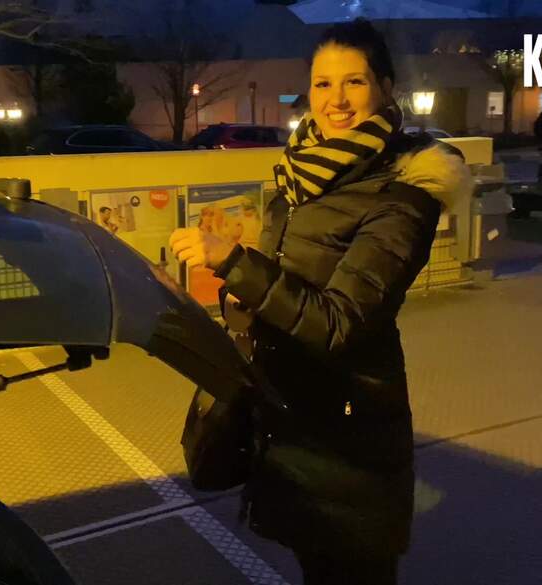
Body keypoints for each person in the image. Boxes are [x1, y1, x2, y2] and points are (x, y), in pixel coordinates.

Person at [170, 18, 472, 585]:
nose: (336, 100)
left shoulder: (404, 194)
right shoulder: (301, 175)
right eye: (323, 84)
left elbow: (339, 323)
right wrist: (233, 284)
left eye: (354, 82)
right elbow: (283, 287)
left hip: (348, 433)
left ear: (385, 88)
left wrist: (234, 263)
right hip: (293, 417)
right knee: (316, 567)